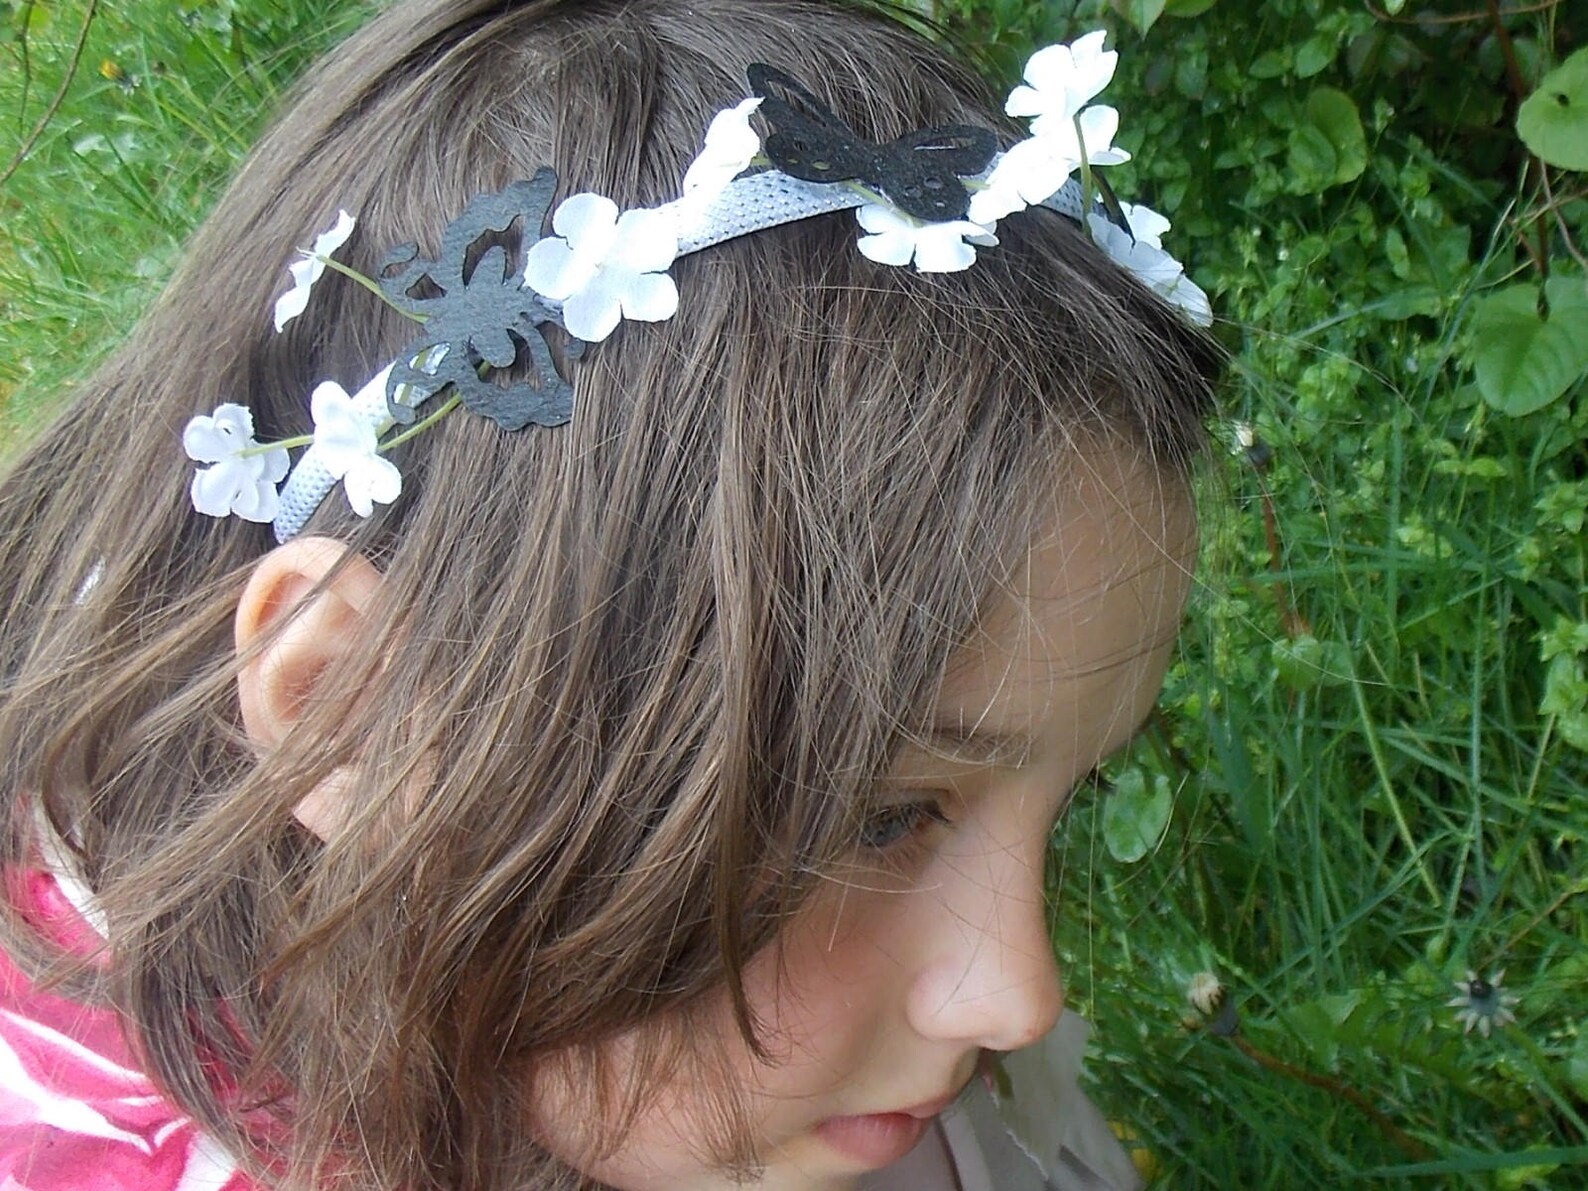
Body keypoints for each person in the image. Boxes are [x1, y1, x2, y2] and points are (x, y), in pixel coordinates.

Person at [0, 0, 1218, 1188]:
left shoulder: (737, 1091)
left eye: (1066, 791)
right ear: (352, 713)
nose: (1021, 994)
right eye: (877, 820)